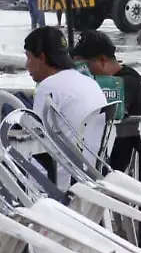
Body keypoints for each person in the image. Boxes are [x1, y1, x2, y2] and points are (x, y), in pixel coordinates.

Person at [25, 26, 107, 160]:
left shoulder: (48, 87)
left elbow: (34, 135)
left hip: (59, 173)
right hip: (91, 171)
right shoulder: (90, 82)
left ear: (42, 57)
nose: (26, 65)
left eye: (28, 57)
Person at [71, 30, 141, 171]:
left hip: (114, 160)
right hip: (94, 151)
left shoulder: (128, 80)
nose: (80, 69)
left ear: (102, 60)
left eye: (83, 65)